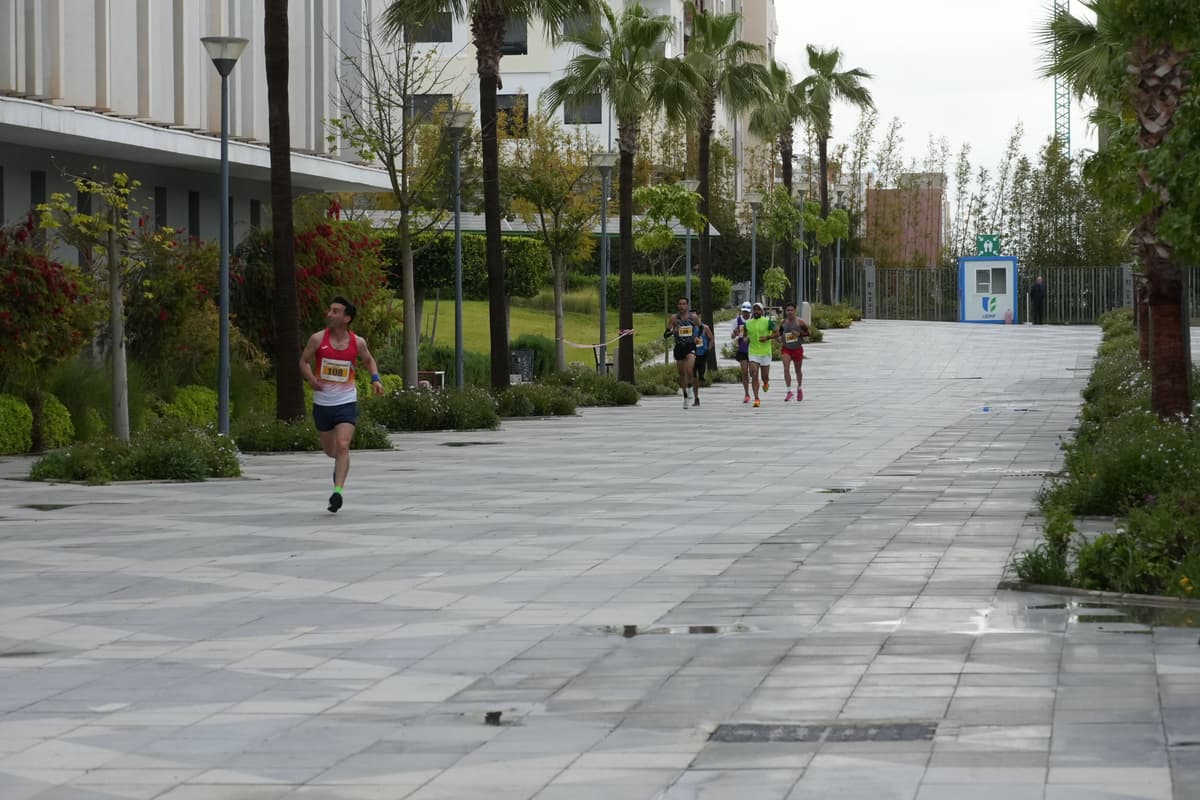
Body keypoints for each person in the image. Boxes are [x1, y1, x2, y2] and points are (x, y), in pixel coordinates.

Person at [299, 296, 384, 513]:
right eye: (330, 310)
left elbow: (368, 360)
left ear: (346, 318)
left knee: (344, 445)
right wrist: (311, 379)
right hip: (323, 403)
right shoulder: (318, 339)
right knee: (331, 451)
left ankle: (337, 491)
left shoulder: (358, 342)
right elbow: (303, 362)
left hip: (346, 401)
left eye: (335, 311)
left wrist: (375, 379)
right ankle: (339, 466)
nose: (330, 314)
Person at [769, 302, 810, 401]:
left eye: (792, 310)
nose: (790, 312)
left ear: (795, 311)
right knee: (786, 367)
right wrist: (778, 338)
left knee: (798, 370)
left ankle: (799, 388)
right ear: (785, 311)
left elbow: (808, 333)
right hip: (786, 348)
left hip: (797, 349)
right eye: (788, 310)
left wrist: (799, 334)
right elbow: (780, 333)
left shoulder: (800, 322)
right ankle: (789, 391)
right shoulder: (783, 322)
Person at [665, 296, 701, 410]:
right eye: (679, 304)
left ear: (687, 305)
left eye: (684, 304)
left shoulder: (693, 317)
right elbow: (665, 335)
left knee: (689, 369)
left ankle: (690, 388)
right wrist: (673, 332)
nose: (681, 306)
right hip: (679, 347)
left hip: (690, 345)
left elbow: (700, 327)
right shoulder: (674, 318)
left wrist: (697, 337)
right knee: (682, 374)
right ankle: (685, 397)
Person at [744, 301, 776, 408]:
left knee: (764, 376)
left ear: (762, 311)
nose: (756, 311)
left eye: (758, 309)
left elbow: (777, 333)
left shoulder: (768, 322)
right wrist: (745, 338)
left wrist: (767, 337)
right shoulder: (748, 323)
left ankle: (766, 383)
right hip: (753, 352)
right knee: (754, 374)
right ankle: (756, 398)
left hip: (765, 352)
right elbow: (744, 334)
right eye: (755, 309)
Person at [690, 313, 715, 406]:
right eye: (691, 319)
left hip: (702, 354)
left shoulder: (705, 328)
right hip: (692, 354)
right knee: (693, 376)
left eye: (695, 319)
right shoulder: (690, 329)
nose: (693, 321)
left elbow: (711, 338)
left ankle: (700, 378)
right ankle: (696, 397)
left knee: (701, 373)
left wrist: (709, 348)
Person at [731, 301, 753, 403]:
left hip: (753, 349)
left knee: (753, 373)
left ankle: (755, 387)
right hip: (742, 349)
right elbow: (732, 336)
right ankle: (747, 394)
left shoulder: (754, 320)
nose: (746, 313)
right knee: (744, 372)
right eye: (744, 311)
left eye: (747, 311)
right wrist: (735, 333)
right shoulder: (737, 321)